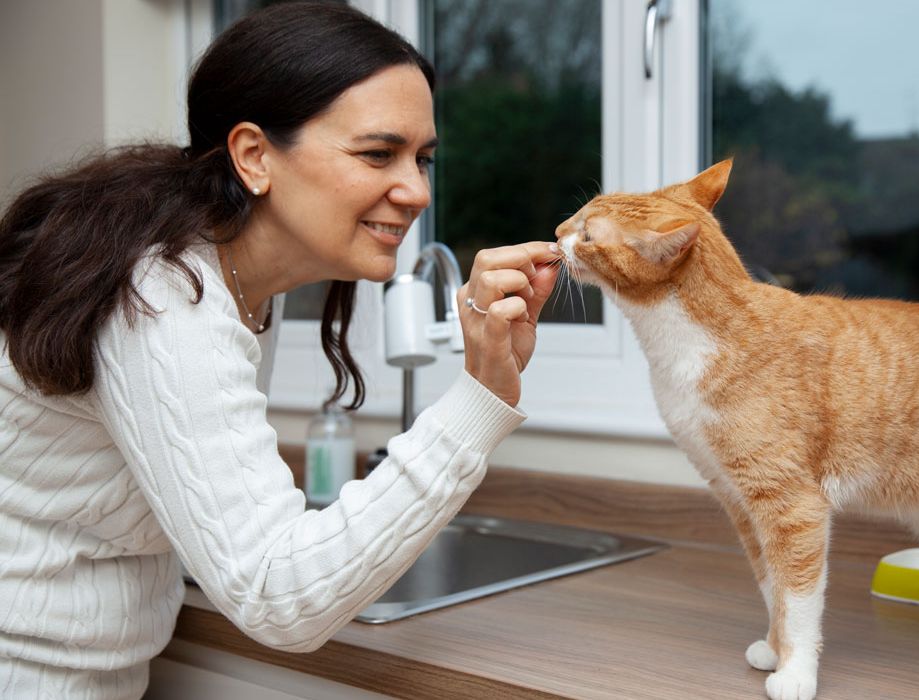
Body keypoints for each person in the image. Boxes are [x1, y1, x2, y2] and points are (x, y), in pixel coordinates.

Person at [0, 4, 558, 697]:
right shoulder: (166, 295)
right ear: (255, 156)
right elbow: (277, 598)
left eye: (423, 159)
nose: (416, 190)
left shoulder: (236, 282)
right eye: (378, 153)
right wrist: (480, 396)